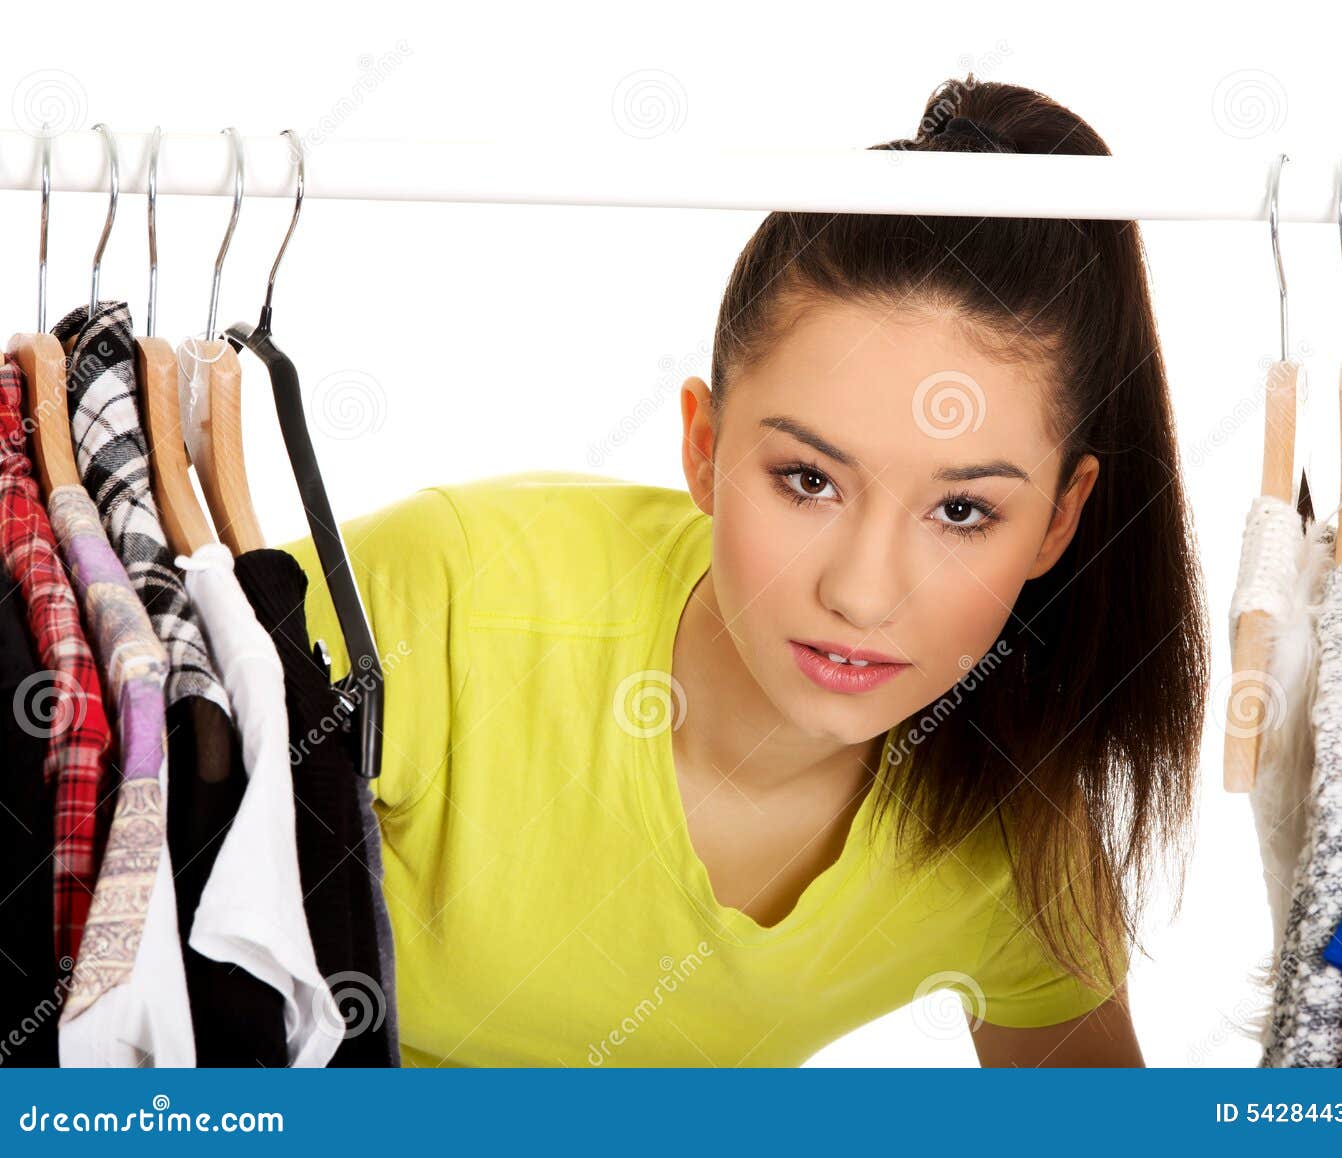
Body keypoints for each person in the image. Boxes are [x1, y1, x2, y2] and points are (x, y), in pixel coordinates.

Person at [281, 75, 1207, 1067]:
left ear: (1059, 521)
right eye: (807, 480)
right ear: (703, 445)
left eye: (961, 510)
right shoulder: (446, 601)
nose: (859, 592)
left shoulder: (1015, 820)